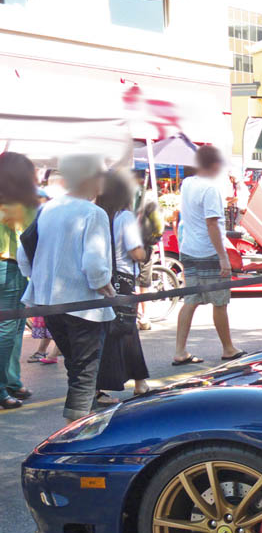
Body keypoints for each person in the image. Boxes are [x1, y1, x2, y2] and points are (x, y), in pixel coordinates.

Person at [17, 153, 115, 421]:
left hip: (49, 302)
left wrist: (37, 278)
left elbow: (24, 250)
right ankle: (76, 430)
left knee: (75, 367)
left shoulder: (48, 208)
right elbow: (94, 263)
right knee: (85, 371)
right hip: (83, 302)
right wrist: (104, 285)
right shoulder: (93, 212)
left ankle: (82, 423)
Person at [174, 145, 243, 365]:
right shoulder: (210, 189)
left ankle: (180, 351)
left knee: (190, 300)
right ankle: (228, 348)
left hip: (188, 249)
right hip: (208, 250)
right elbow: (212, 224)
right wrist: (223, 256)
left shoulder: (187, 183)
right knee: (219, 301)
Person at [95, 170, 150, 398]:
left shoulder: (97, 214)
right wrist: (145, 253)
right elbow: (135, 251)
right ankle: (138, 383)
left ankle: (136, 382)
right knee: (126, 329)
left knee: (106, 332)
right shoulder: (124, 217)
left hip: (100, 278)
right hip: (122, 280)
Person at [0, 152, 39, 408]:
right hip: (10, 268)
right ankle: (4, 386)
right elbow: (30, 236)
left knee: (12, 329)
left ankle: (12, 381)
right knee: (9, 331)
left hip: (12, 268)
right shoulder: (19, 203)